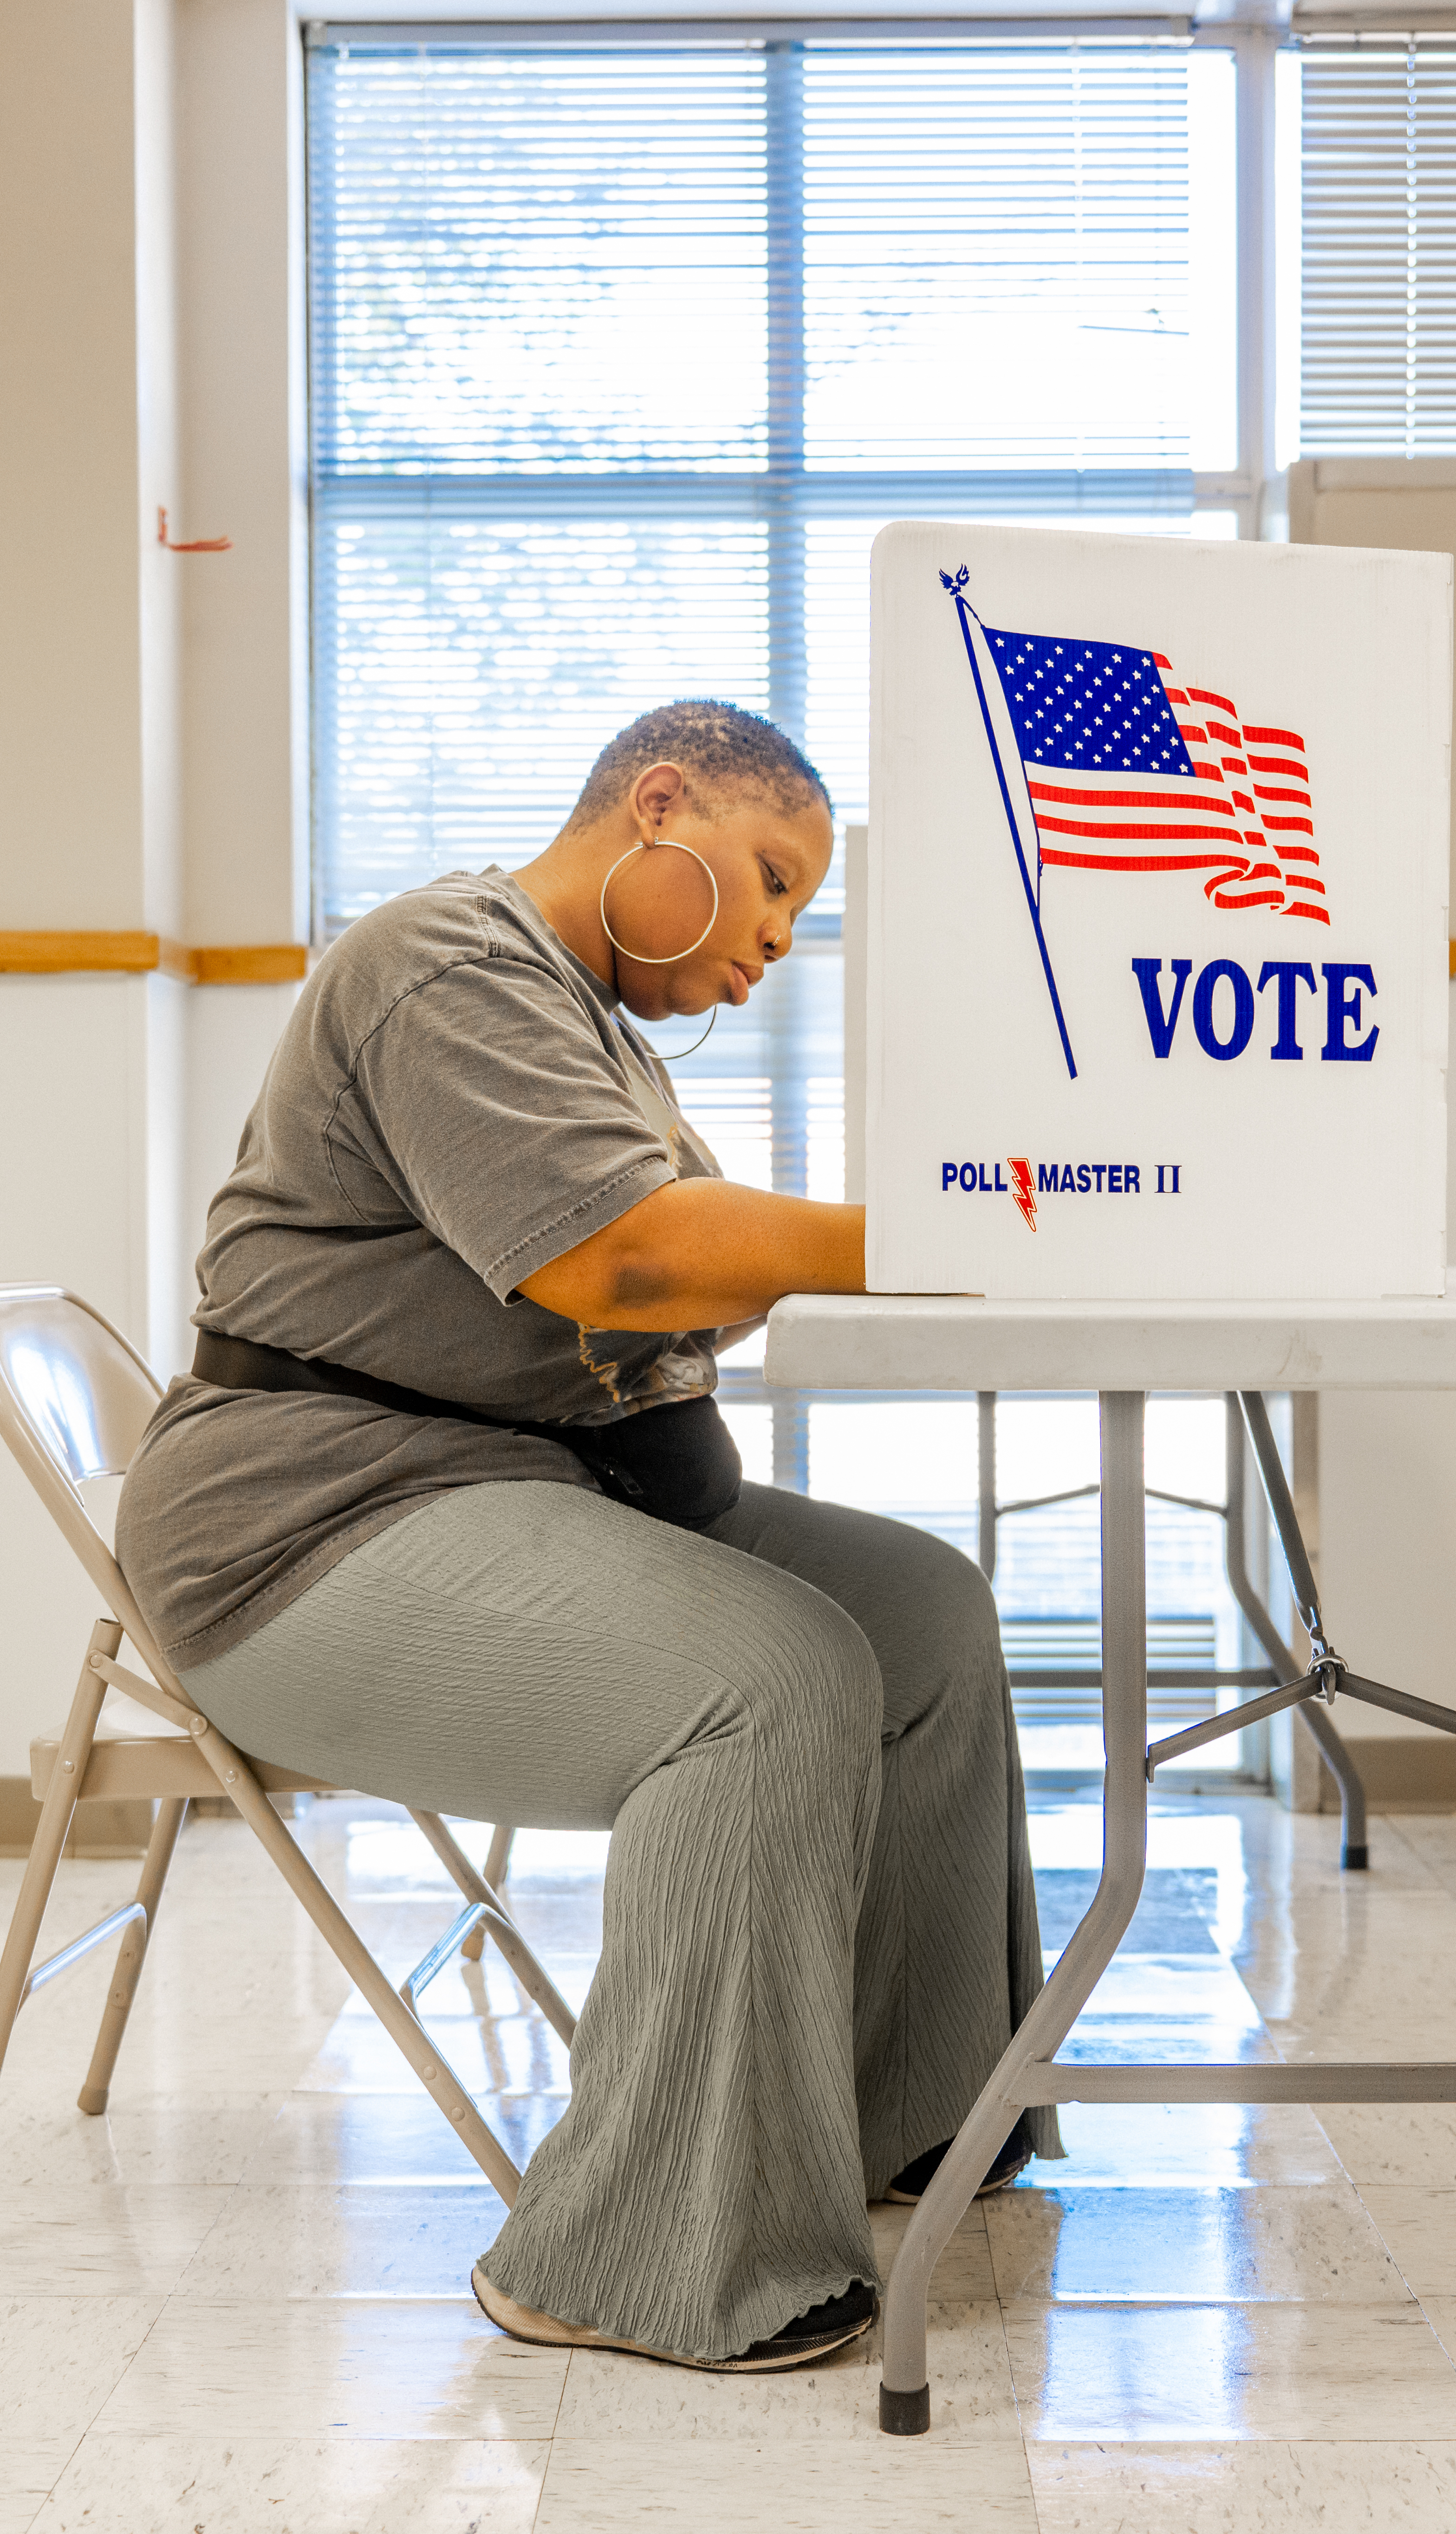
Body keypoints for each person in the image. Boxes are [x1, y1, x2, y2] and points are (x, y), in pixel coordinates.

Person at [113, 699, 1056, 2372]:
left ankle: (889, 2114)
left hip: (508, 1490)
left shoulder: (586, 1030)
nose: (773, 942)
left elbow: (684, 1271)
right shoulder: (440, 963)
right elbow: (622, 1263)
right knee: (764, 1677)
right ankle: (620, 2257)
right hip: (306, 1531)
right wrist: (961, 1215)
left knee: (921, 1611)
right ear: (660, 804)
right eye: (769, 881)